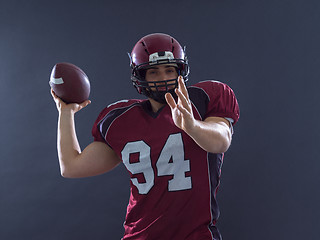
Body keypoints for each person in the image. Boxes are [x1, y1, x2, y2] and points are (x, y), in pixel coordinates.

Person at [51, 33, 240, 240]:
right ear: (140, 76)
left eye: (169, 70)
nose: (163, 78)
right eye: (153, 72)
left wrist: (192, 126)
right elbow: (71, 167)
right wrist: (66, 113)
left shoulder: (203, 100)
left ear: (180, 71)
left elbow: (221, 141)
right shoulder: (120, 119)